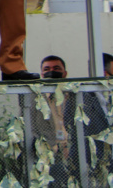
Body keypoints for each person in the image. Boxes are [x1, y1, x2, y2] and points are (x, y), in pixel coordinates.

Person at [32, 55, 108, 183]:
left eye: (56, 68)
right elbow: (34, 128)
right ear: (42, 74)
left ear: (65, 73)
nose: (52, 71)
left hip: (77, 154)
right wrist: (52, 146)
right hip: (50, 156)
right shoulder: (37, 100)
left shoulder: (75, 96)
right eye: (47, 69)